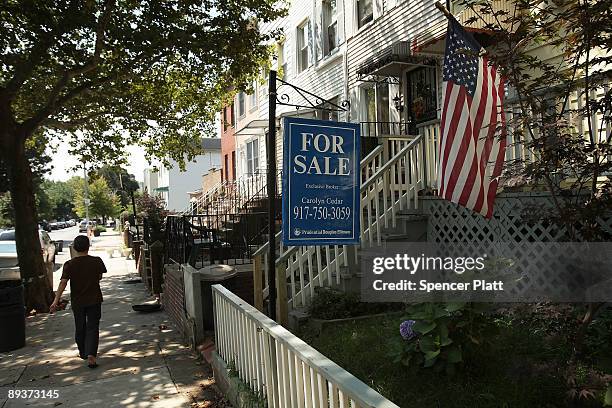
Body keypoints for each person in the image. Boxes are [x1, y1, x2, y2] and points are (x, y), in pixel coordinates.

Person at [50, 235, 106, 368]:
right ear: (88, 246)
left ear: (74, 247)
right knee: (93, 326)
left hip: (78, 301)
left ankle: (83, 352)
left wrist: (55, 300)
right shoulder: (96, 261)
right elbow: (100, 276)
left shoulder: (69, 265)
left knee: (80, 326)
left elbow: (63, 283)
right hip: (94, 299)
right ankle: (91, 354)